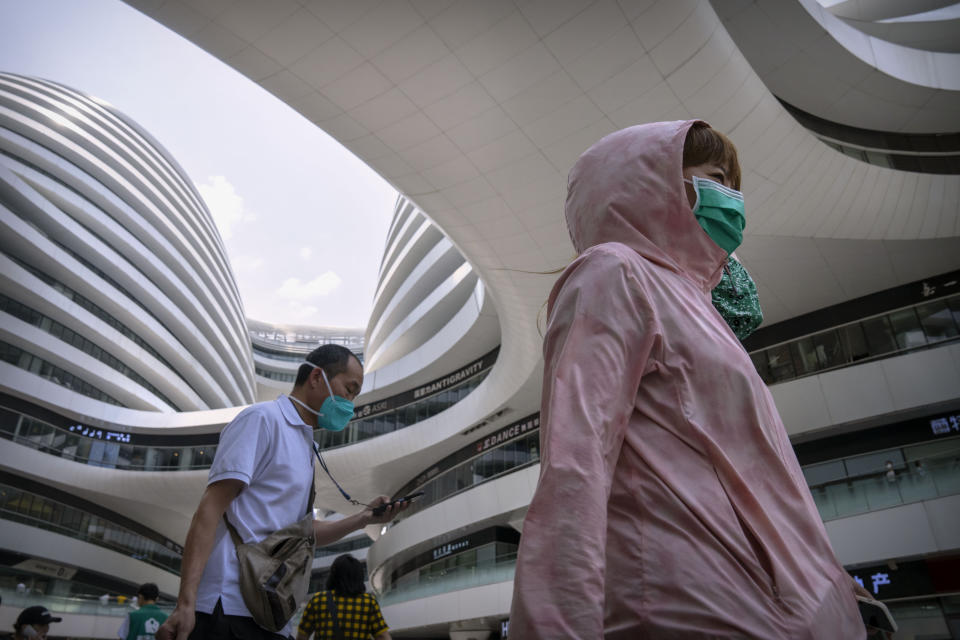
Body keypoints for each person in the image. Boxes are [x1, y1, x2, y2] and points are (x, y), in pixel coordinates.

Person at [508, 120, 868, 638]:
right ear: (649, 182)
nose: (732, 195)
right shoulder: (616, 271)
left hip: (781, 610)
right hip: (698, 606)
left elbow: (757, 478)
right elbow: (575, 464)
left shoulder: (699, 308)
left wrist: (826, 579)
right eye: (717, 175)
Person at [158, 344, 406, 640]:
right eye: (349, 389)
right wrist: (186, 602)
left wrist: (364, 518)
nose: (350, 403)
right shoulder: (262, 420)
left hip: (270, 613)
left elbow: (302, 533)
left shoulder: (305, 444)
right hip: (226, 609)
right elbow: (209, 510)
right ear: (317, 377)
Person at [296, 554, 390, 640]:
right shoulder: (369, 603)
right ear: (359, 577)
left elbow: (302, 635)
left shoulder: (317, 600)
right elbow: (382, 636)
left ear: (333, 575)